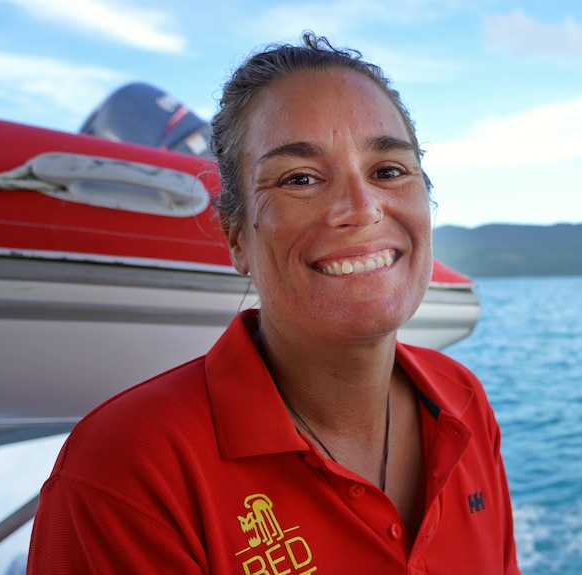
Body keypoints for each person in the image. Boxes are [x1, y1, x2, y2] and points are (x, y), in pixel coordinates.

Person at [27, 32, 520, 574]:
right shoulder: (128, 471)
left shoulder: (464, 401)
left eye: (388, 171)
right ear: (236, 236)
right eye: (300, 178)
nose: (361, 209)